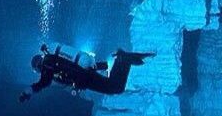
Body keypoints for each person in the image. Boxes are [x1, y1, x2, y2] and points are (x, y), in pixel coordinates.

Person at [19, 43, 154, 102]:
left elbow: (44, 82)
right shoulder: (52, 60)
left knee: (115, 87)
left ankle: (122, 59)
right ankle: (122, 59)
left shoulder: (47, 64)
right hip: (84, 76)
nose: (39, 72)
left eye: (37, 70)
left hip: (84, 78)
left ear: (38, 65)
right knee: (113, 86)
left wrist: (28, 91)